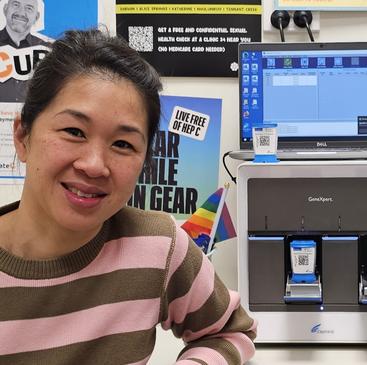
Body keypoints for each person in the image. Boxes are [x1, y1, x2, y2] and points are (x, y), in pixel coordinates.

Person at [0, 29, 256, 364]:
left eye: (123, 144)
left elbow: (229, 332)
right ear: (22, 135)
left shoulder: (158, 245)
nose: (94, 166)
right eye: (73, 132)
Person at [0, 0, 49, 102]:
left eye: (29, 8)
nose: (21, 12)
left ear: (36, 17)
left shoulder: (48, 50)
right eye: (16, 4)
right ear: (5, 9)